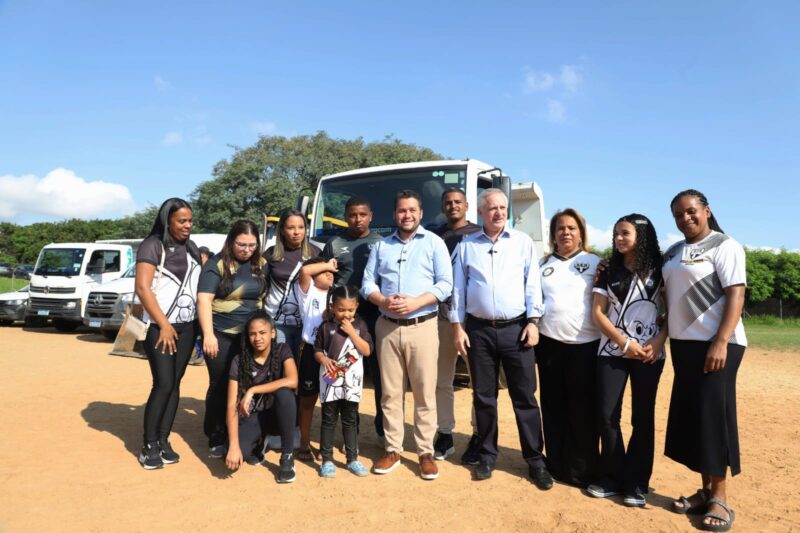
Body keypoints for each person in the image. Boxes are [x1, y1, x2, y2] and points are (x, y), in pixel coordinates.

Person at [450, 188, 552, 489]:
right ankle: (487, 455)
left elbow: (532, 284)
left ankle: (535, 460)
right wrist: (458, 327)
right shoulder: (467, 245)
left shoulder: (521, 243)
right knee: (483, 397)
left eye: (503, 207)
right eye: (492, 208)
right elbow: (458, 289)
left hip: (516, 329)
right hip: (479, 331)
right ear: (480, 212)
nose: (498, 212)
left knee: (525, 397)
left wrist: (534, 321)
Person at [663, 190, 746, 532]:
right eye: (679, 215)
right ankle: (706, 490)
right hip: (684, 347)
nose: (686, 218)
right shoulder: (672, 252)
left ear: (707, 211)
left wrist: (721, 340)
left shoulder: (725, 245)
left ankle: (721, 499)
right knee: (696, 419)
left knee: (714, 419)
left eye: (691, 211)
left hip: (717, 345)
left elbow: (736, 293)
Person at [362, 189, 452, 480]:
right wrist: (383, 301)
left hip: (422, 326)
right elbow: (367, 285)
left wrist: (415, 302)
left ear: (421, 213)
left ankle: (425, 452)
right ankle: (392, 450)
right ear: (394, 214)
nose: (407, 215)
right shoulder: (381, 246)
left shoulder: (435, 244)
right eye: (402, 210)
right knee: (389, 394)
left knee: (425, 392)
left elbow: (445, 285)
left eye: (412, 210)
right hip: (387, 327)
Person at [587, 214, 666, 507]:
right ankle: (611, 477)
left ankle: (636, 482)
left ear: (641, 237)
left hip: (649, 353)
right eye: (616, 234)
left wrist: (658, 341)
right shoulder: (608, 269)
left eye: (625, 233)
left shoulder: (661, 270)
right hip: (611, 351)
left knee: (642, 418)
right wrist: (623, 343)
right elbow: (597, 313)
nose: (619, 239)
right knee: (607, 416)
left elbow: (671, 312)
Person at [134, 198, 202, 469]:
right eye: (181, 221)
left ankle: (163, 440)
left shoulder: (193, 248)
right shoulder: (153, 245)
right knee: (162, 384)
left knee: (174, 383)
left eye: (190, 221)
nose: (188, 226)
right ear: (168, 221)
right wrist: (163, 324)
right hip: (161, 328)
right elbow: (143, 288)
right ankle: (148, 445)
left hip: (188, 326)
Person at [536, 208, 602, 487]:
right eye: (560, 228)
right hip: (549, 344)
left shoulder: (596, 262)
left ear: (581, 233)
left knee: (583, 409)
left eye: (572, 228)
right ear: (553, 234)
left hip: (585, 346)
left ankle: (583, 470)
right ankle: (556, 465)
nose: (566, 232)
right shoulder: (542, 265)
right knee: (552, 406)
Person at [197, 220, 267, 458]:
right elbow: (204, 300)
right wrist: (208, 334)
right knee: (220, 385)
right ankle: (216, 435)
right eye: (241, 244)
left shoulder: (261, 264)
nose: (247, 250)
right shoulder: (216, 265)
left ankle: (245, 435)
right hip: (220, 335)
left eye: (252, 245)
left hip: (251, 337)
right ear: (231, 241)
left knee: (248, 386)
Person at [321, 196, 385, 437]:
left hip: (374, 316)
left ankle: (382, 429)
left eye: (362, 214)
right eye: (352, 215)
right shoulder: (335, 243)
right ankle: (351, 426)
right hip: (343, 319)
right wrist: (329, 307)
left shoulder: (381, 243)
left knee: (379, 374)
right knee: (344, 371)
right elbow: (325, 278)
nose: (357, 219)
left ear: (371, 216)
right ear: (345, 216)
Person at [431, 187, 481, 462]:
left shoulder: (479, 234)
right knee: (442, 379)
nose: (453, 206)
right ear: (443, 206)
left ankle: (478, 434)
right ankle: (445, 433)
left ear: (467, 205)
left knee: (479, 381)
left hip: (472, 319)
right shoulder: (435, 235)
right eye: (448, 202)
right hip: (442, 316)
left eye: (457, 202)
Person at [224, 311, 298, 484]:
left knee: (285, 392)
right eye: (252, 333)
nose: (258, 338)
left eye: (262, 333)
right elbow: (231, 404)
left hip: (278, 414)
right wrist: (234, 445)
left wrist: (253, 390)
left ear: (272, 333)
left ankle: (287, 457)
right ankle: (260, 442)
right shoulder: (239, 360)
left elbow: (293, 380)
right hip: (254, 415)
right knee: (237, 454)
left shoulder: (282, 350)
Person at [314, 286, 374, 478]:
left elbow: (367, 350)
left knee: (350, 420)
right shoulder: (326, 326)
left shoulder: (361, 326)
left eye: (350, 310)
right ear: (332, 307)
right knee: (328, 420)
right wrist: (323, 359)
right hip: (330, 383)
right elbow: (316, 350)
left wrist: (352, 333)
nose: (346, 314)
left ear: (356, 306)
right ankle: (327, 460)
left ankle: (352, 459)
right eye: (341, 310)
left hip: (352, 383)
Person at [296, 256, 338, 461]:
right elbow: (304, 271)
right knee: (307, 401)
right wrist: (328, 264)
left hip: (333, 356)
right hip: (312, 353)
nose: (329, 272)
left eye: (331, 269)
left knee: (330, 402)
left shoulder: (337, 294)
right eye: (323, 270)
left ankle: (326, 446)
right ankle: (304, 443)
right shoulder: (307, 291)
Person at [264, 209, 320, 355]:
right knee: (281, 366)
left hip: (307, 322)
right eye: (291, 228)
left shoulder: (316, 253)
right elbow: (261, 286)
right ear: (282, 230)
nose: (297, 232)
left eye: (301, 227)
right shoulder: (270, 254)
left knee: (303, 369)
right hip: (277, 322)